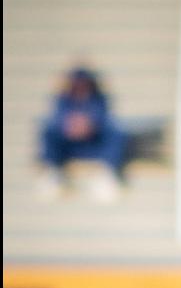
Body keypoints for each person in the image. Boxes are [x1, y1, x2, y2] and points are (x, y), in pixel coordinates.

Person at [37, 67, 128, 201]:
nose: (81, 87)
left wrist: (90, 124)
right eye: (77, 84)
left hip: (94, 146)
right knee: (49, 132)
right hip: (69, 148)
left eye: (84, 84)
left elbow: (102, 117)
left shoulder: (99, 99)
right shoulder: (63, 100)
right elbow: (58, 118)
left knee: (114, 133)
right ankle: (53, 174)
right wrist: (69, 126)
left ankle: (109, 176)